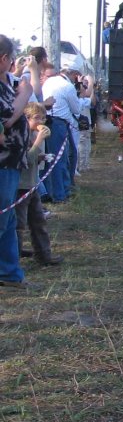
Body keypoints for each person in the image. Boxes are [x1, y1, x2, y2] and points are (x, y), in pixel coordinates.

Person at [15, 102, 62, 267]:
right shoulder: (22, 135)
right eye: (36, 118)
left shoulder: (33, 135)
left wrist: (42, 156)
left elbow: (33, 157)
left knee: (38, 221)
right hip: (21, 187)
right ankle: (14, 258)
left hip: (32, 184)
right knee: (18, 225)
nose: (40, 121)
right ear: (26, 118)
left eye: (43, 117)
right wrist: (39, 141)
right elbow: (26, 159)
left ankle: (43, 255)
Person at [0, 35, 31, 288]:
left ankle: (10, 273)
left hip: (10, 163)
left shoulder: (7, 83)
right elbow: (7, 118)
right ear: (4, 59)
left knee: (8, 220)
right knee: (1, 220)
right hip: (1, 164)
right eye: (11, 60)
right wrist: (26, 92)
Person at [40, 63, 79, 203]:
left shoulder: (47, 83)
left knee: (49, 159)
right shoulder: (67, 86)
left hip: (47, 120)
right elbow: (76, 109)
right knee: (60, 160)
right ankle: (60, 194)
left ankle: (53, 191)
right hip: (59, 123)